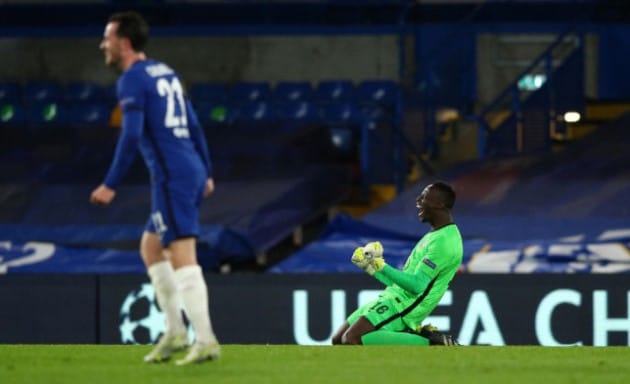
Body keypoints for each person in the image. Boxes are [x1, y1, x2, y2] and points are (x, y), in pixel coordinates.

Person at [90, 11, 220, 365]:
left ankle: (205, 339)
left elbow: (131, 135)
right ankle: (176, 331)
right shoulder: (166, 73)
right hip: (188, 168)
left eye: (108, 38)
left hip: (172, 176)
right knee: (150, 247)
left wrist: (110, 184)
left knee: (182, 255)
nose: (103, 44)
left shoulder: (132, 79)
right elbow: (194, 126)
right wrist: (205, 170)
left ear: (125, 43)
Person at [332, 181, 463, 346]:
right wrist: (370, 266)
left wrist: (381, 265)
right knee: (338, 339)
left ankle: (431, 342)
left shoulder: (445, 242)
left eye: (424, 197)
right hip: (393, 297)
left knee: (351, 339)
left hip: (404, 306)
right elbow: (402, 283)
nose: (418, 201)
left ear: (439, 204)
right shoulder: (435, 235)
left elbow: (417, 286)